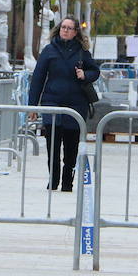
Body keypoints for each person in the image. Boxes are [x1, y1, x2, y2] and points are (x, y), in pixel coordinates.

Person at [28, 16, 101, 191]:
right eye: (63, 27)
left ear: (76, 32)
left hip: (76, 105)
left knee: (71, 147)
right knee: (52, 145)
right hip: (52, 102)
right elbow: (38, 79)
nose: (65, 30)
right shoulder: (49, 51)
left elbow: (95, 71)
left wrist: (85, 74)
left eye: (69, 28)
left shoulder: (82, 52)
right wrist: (32, 106)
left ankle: (68, 181)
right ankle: (53, 180)